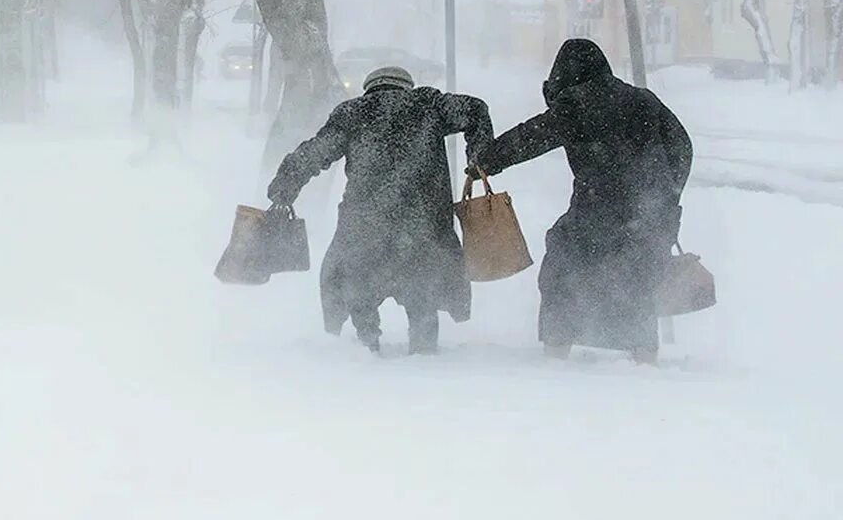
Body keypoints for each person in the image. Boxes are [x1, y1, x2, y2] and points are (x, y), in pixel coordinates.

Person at [474, 39, 692, 364]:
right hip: (648, 216)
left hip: (599, 211)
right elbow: (682, 146)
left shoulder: (578, 103)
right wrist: (664, 194)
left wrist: (487, 160)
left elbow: (532, 137)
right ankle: (645, 360)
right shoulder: (643, 99)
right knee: (637, 281)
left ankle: (556, 353)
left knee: (562, 269)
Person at [267, 65, 493, 355]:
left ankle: (368, 348)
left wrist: (284, 186)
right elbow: (476, 109)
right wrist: (479, 158)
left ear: (369, 88)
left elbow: (315, 152)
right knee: (421, 297)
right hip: (422, 227)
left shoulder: (353, 112)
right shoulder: (429, 104)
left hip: (366, 227)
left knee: (359, 289)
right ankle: (424, 355)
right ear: (406, 87)